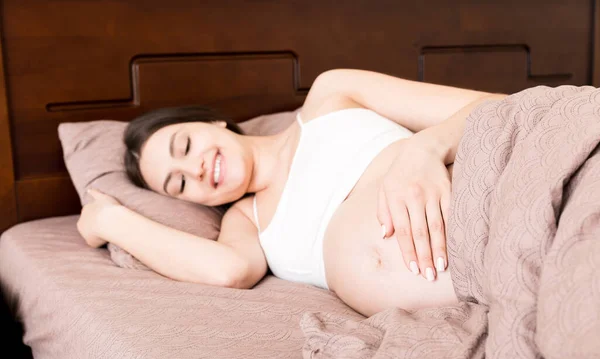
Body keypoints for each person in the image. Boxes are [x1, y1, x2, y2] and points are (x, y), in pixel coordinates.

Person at [77, 69, 506, 317]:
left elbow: (497, 106)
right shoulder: (245, 221)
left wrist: (422, 149)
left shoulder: (331, 95)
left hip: (497, 206)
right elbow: (227, 271)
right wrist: (110, 221)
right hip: (482, 291)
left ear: (212, 122)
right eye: (180, 183)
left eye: (185, 145)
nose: (196, 168)